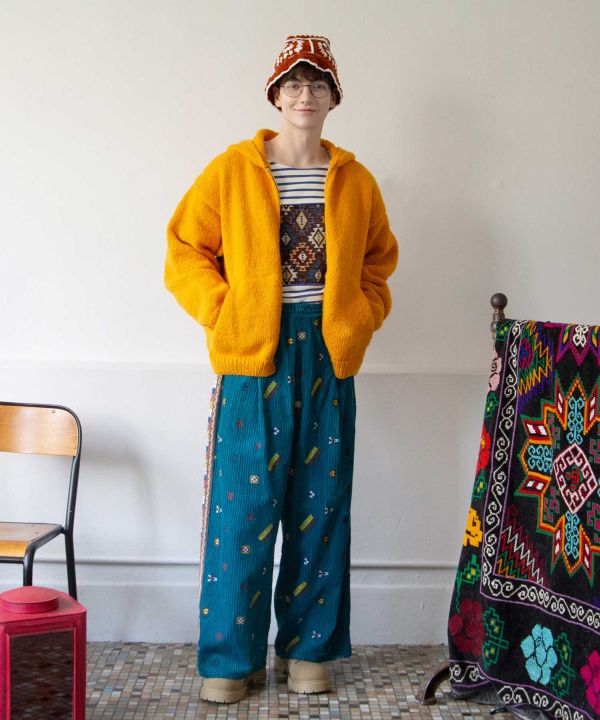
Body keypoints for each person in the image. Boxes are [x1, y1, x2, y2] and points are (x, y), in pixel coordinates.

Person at [165, 34, 398, 704]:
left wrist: (360, 316)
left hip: (328, 354)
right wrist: (225, 310)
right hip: (252, 356)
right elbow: (184, 250)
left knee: (320, 505)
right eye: (293, 84)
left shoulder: (354, 180)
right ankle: (229, 658)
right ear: (275, 95)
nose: (305, 95)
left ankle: (308, 651)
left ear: (333, 98)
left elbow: (379, 262)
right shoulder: (233, 170)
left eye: (318, 84)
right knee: (242, 511)